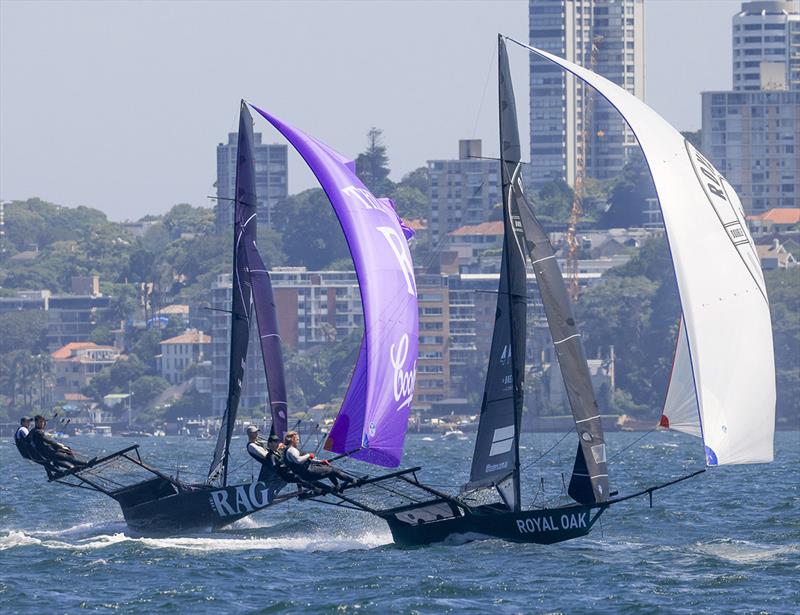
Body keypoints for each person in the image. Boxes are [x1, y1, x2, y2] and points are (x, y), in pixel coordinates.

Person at [283, 430, 356, 492]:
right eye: (297, 439)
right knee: (333, 471)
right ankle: (353, 481)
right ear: (292, 439)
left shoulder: (289, 450)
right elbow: (298, 461)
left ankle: (337, 486)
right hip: (309, 472)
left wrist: (320, 462)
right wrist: (308, 455)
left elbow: (308, 461)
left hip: (304, 474)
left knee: (328, 468)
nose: (298, 441)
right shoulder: (291, 450)